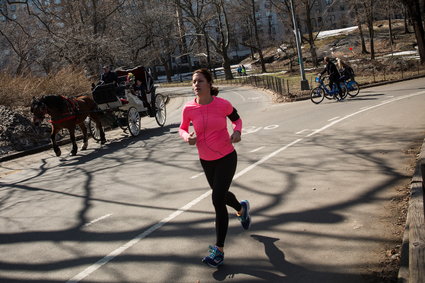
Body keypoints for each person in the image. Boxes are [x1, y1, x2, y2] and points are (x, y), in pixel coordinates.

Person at [179, 68, 251, 268]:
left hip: (227, 157)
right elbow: (182, 128)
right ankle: (241, 207)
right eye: (193, 82)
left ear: (209, 84)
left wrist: (237, 131)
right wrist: (187, 137)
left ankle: (218, 250)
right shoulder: (188, 109)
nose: (196, 85)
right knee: (220, 194)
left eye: (200, 81)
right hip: (206, 160)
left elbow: (237, 119)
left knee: (217, 199)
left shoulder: (222, 104)